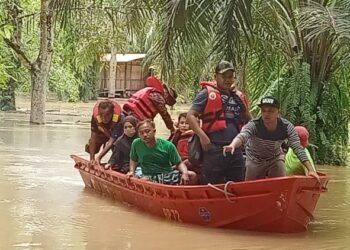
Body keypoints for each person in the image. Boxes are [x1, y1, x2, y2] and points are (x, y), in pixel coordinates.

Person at [223, 96, 320, 182]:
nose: (266, 114)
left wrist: (311, 170)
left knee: (280, 184)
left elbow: (298, 148)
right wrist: (233, 145)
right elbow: (243, 135)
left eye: (270, 111)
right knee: (251, 187)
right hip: (254, 159)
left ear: (278, 112)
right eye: (264, 110)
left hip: (275, 159)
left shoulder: (286, 127)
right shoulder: (254, 124)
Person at [187, 61, 252, 184]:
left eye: (230, 77)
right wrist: (202, 136)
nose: (227, 80)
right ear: (215, 76)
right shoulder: (206, 94)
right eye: (224, 76)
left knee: (237, 185)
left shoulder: (239, 97)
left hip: (236, 149)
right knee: (213, 186)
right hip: (213, 148)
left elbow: (250, 120)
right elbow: (190, 116)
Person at [126, 119, 197, 185]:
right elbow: (133, 159)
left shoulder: (168, 145)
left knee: (192, 175)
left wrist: (184, 172)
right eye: (141, 133)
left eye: (147, 131)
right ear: (138, 135)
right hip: (147, 175)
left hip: (166, 174)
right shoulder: (136, 143)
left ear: (154, 131)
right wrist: (132, 171)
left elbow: (178, 163)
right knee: (145, 180)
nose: (145, 135)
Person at [85, 99, 124, 164]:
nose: (104, 118)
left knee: (116, 145)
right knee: (94, 149)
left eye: (107, 115)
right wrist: (92, 159)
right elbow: (93, 139)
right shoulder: (96, 118)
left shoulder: (119, 119)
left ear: (112, 113)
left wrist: (99, 158)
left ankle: (116, 162)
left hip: (114, 136)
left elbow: (111, 141)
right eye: (101, 115)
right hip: (102, 133)